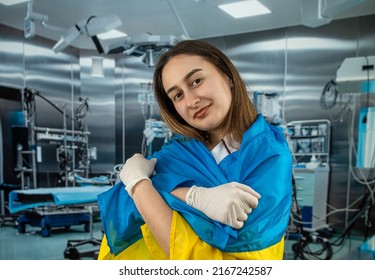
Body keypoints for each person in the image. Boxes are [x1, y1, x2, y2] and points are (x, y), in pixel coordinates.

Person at [97, 39, 292, 260]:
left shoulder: (268, 155)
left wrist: (140, 184)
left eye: (196, 81)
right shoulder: (178, 152)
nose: (191, 101)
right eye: (177, 95)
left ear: (227, 75)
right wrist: (192, 196)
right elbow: (124, 198)